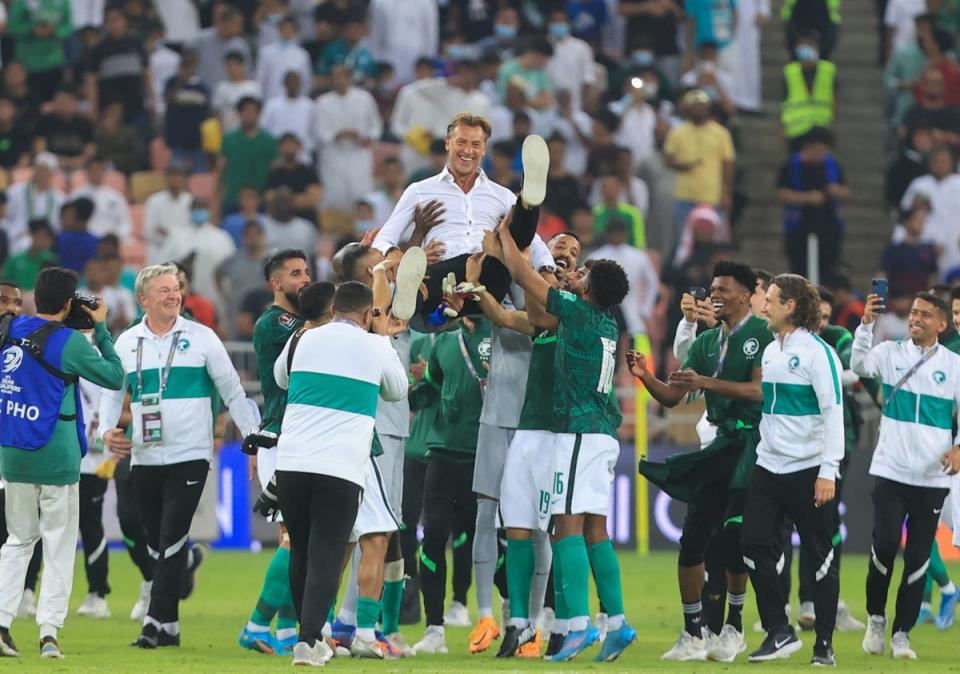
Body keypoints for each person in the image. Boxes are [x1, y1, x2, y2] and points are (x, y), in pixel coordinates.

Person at [99, 264, 259, 648]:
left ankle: (153, 622)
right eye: (164, 290)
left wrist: (253, 438)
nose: (174, 296)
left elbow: (234, 391)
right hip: (145, 453)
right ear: (144, 299)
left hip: (191, 453)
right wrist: (107, 430)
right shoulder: (126, 342)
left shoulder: (202, 338)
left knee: (172, 533)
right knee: (154, 538)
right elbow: (111, 391)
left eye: (176, 289)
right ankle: (170, 625)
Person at [496, 218, 633, 663]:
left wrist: (507, 233)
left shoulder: (577, 311)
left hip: (577, 432)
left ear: (589, 288)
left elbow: (520, 273)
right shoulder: (605, 321)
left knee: (565, 528)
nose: (576, 273)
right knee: (595, 530)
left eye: (583, 272)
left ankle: (574, 626)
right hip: (599, 433)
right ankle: (616, 622)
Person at [635, 262, 770, 662]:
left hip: (752, 445)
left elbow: (761, 392)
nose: (714, 294)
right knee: (692, 540)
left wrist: (706, 383)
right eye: (712, 288)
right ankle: (693, 633)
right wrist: (645, 376)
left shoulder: (763, 335)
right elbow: (675, 396)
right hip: (718, 445)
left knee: (733, 539)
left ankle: (734, 627)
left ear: (745, 296)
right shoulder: (707, 342)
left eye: (723, 289)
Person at [273, 281, 408, 667]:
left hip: (293, 462)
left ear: (332, 310)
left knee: (302, 549)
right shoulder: (375, 345)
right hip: (341, 466)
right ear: (368, 315)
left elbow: (282, 380)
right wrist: (382, 338)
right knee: (327, 553)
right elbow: (397, 391)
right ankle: (309, 640)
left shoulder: (303, 338)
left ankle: (310, 636)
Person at [0, 266, 124, 659]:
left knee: (17, 540)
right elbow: (114, 376)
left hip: (13, 452)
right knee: (58, 543)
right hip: (56, 457)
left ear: (36, 297)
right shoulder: (71, 342)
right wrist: (101, 328)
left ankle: (1, 625)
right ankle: (49, 633)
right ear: (71, 303)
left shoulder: (10, 330)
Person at [741, 273, 842, 666]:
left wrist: (828, 470)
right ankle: (779, 632)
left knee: (820, 558)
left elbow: (833, 411)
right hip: (769, 466)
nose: (763, 306)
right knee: (751, 544)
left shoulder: (818, 353)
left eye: (770, 299)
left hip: (808, 470)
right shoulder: (770, 349)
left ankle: (824, 646)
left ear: (791, 306)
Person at [372, 114, 555, 329]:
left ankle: (529, 201)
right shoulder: (419, 190)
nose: (468, 151)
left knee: (516, 231)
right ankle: (407, 301)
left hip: (488, 273)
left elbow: (533, 239)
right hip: (443, 274)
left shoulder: (501, 194)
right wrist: (395, 253)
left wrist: (547, 267)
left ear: (484, 149)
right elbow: (384, 237)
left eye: (476, 144)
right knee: (420, 282)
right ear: (448, 144)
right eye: (461, 142)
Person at [853, 290, 960, 659]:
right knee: (884, 544)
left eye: (925, 315)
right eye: (913, 312)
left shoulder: (955, 365)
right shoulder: (888, 352)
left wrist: (959, 447)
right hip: (890, 469)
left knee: (918, 557)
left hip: (932, 477)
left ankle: (902, 633)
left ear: (941, 324)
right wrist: (866, 326)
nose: (915, 319)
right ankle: (876, 619)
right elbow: (859, 364)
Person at [238, 249, 310, 656]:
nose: (304, 279)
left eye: (306, 272)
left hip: (298, 439)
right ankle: (256, 625)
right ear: (276, 284)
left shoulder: (305, 321)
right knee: (293, 541)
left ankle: (285, 632)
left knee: (299, 541)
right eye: (295, 274)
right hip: (281, 438)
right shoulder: (275, 323)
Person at [777, 127, 849, 280]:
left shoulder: (832, 166)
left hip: (828, 226)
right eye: (817, 150)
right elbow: (783, 194)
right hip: (800, 226)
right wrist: (808, 198)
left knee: (829, 270)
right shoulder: (791, 166)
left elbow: (846, 191)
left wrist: (836, 191)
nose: (820, 155)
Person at [664, 90, 736, 239]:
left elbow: (728, 164)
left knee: (713, 239)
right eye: (694, 105)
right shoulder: (677, 132)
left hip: (712, 196)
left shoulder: (720, 133)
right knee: (683, 240)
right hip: (684, 196)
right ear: (687, 108)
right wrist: (682, 165)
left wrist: (726, 192)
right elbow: (668, 159)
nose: (698, 109)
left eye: (701, 105)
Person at [313, 65, 382, 211]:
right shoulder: (323, 102)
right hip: (334, 155)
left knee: (360, 190)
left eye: (343, 77)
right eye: (336, 77)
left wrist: (366, 137)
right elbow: (319, 132)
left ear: (349, 79)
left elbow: (376, 126)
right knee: (335, 193)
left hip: (359, 153)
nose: (339, 81)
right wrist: (337, 135)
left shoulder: (364, 98)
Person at [217, 96, 278, 213]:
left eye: (253, 111)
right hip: (233, 198)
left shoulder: (269, 140)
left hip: (260, 200)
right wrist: (217, 200)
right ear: (238, 114)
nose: (249, 114)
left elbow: (275, 170)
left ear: (259, 114)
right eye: (245, 111)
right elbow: (220, 170)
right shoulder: (229, 139)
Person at [2, 153, 66, 255]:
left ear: (52, 173)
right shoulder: (15, 191)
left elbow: (58, 225)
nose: (42, 174)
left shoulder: (59, 198)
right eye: (39, 170)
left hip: (47, 241)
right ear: (34, 170)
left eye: (46, 171)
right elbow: (6, 218)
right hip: (18, 238)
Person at [781, 33, 837, 146]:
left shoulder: (829, 70)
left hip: (822, 127)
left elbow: (836, 98)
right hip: (796, 130)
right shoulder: (789, 72)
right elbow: (784, 102)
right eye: (802, 45)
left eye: (809, 45)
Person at [74, 157, 133, 240]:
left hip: (111, 239)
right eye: (93, 170)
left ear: (104, 172)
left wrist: (117, 235)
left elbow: (126, 222)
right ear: (87, 172)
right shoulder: (77, 196)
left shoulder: (115, 196)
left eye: (100, 170)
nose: (97, 173)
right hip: (86, 238)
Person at [255, 16, 311, 102]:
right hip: (271, 98)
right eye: (284, 28)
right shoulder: (266, 52)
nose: (287, 32)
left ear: (294, 31)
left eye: (290, 29)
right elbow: (261, 78)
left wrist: (300, 100)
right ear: (278, 30)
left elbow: (306, 81)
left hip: (295, 100)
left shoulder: (302, 55)